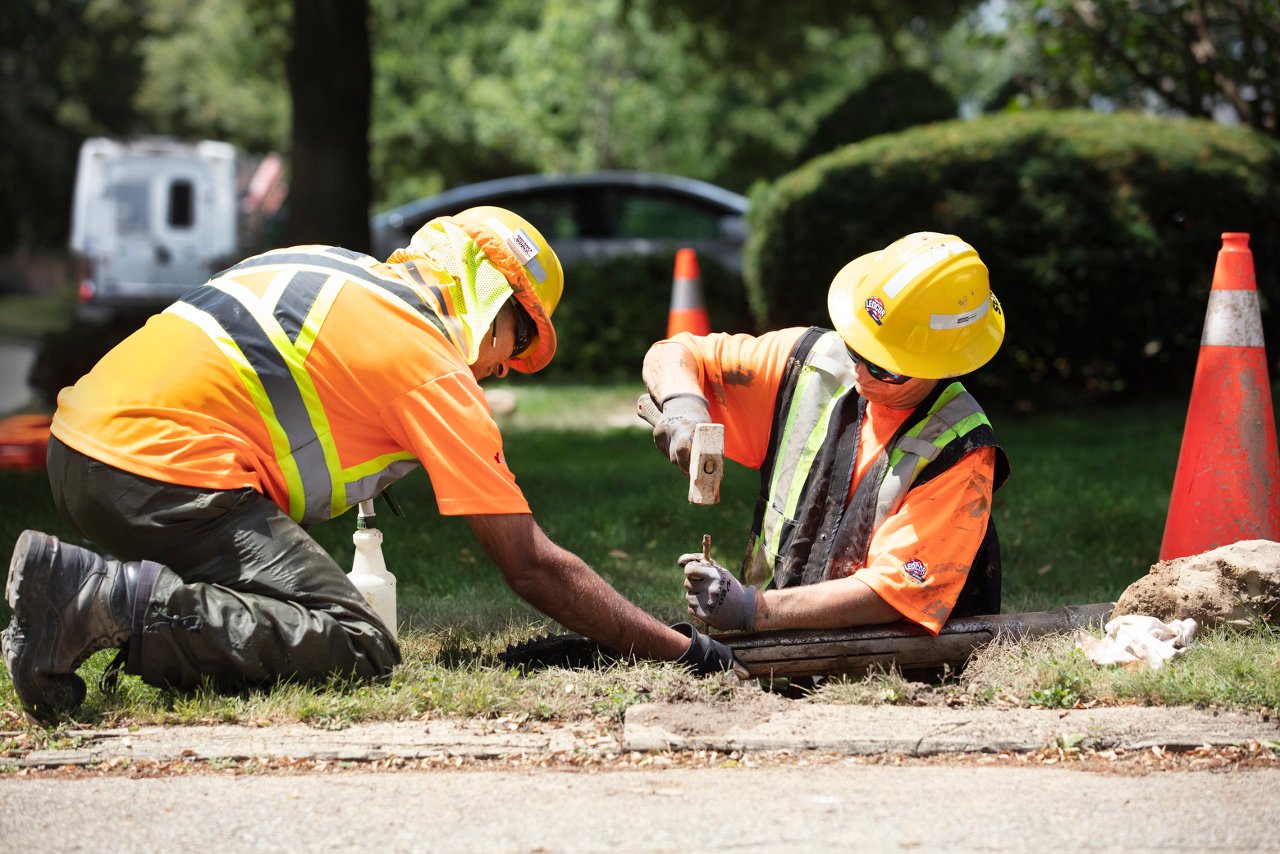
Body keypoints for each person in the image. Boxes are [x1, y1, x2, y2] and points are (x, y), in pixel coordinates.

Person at [2, 206, 733, 721]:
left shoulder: (337, 267)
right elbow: (533, 567)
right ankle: (102, 601)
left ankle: (88, 600)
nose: (507, 368)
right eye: (518, 337)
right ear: (486, 294)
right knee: (355, 641)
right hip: (159, 470)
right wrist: (683, 652)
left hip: (81, 449)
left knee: (283, 610)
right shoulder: (427, 362)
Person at [643, 232, 1010, 637]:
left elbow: (890, 594)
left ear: (944, 364)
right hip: (771, 644)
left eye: (885, 368)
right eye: (857, 349)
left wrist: (751, 608)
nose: (859, 373)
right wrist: (683, 406)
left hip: (885, 668)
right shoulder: (810, 363)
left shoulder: (961, 450)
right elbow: (675, 353)